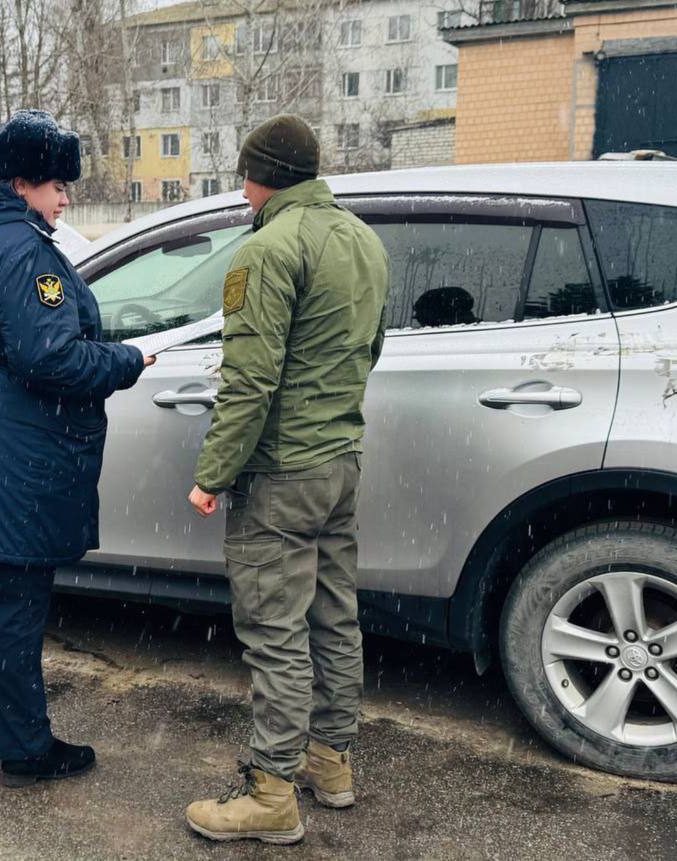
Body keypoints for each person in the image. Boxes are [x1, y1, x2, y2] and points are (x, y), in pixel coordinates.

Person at [0, 110, 152, 787]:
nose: (66, 197)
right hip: (9, 450)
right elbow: (49, 356)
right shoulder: (20, 247)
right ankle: (24, 745)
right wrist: (127, 359)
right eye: (56, 184)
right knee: (12, 602)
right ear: (21, 182)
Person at [184, 114, 390, 844]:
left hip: (282, 472)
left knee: (275, 629)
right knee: (333, 615)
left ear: (256, 176)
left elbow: (249, 382)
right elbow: (370, 347)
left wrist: (213, 474)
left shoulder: (266, 250)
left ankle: (270, 791)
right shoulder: (364, 240)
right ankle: (331, 762)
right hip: (339, 462)